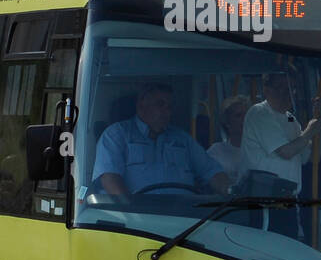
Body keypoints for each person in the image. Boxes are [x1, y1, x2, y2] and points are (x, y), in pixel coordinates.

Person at [92, 82, 231, 197]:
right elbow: (110, 180)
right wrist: (130, 212)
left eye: (169, 106)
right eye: (160, 104)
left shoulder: (183, 139)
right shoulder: (116, 135)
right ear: (141, 106)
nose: (167, 111)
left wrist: (231, 190)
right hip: (137, 220)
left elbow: (212, 172)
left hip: (186, 219)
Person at [239, 73, 321, 237]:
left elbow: (311, 158)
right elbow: (286, 151)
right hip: (265, 200)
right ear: (267, 90)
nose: (287, 94)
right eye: (281, 88)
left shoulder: (291, 120)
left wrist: (320, 124)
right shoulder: (259, 113)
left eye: (291, 89)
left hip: (289, 199)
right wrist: (310, 131)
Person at [206, 94, 249, 181]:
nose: (245, 119)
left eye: (247, 115)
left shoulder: (260, 150)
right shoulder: (216, 151)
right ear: (227, 122)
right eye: (238, 115)